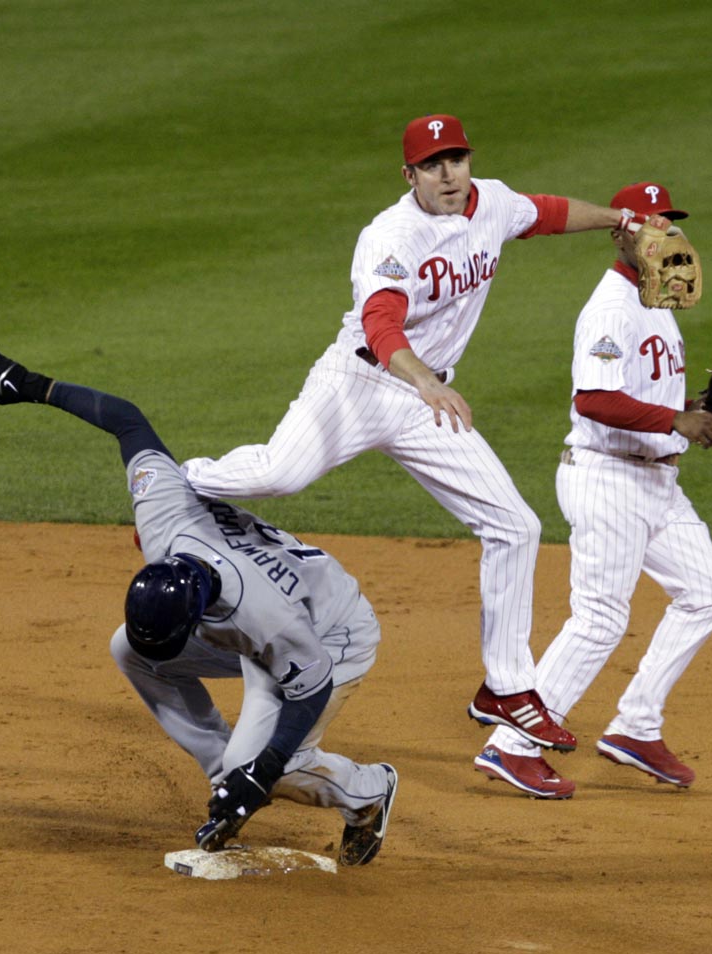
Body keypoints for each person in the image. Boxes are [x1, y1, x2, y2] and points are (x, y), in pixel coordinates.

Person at [182, 113, 649, 764]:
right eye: (433, 164)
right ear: (410, 175)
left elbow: (542, 212)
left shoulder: (491, 201)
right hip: (363, 382)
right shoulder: (391, 235)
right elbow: (381, 322)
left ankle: (508, 688)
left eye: (456, 158)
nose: (449, 172)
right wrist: (425, 380)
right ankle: (180, 480)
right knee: (279, 473)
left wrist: (617, 221)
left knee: (515, 525)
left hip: (426, 399)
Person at [0, 346, 397, 865]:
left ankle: (368, 791)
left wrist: (261, 772)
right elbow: (126, 420)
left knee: (280, 764)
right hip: (262, 621)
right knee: (130, 650)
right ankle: (225, 786)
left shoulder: (264, 615)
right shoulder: (161, 514)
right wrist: (37, 386)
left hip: (329, 634)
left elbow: (312, 683)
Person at [474, 182, 712, 798]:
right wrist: (675, 421)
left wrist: (687, 406)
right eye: (650, 223)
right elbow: (593, 399)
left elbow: (639, 392)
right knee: (599, 618)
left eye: (669, 223)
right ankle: (512, 745)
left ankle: (636, 726)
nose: (664, 234)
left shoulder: (659, 299)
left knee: (706, 594)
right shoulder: (613, 306)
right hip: (608, 477)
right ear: (621, 233)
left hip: (656, 483)